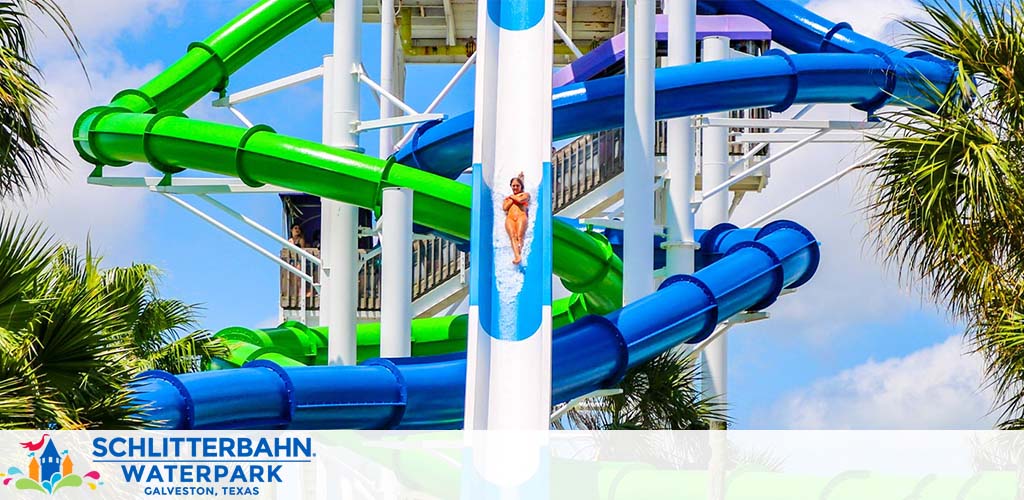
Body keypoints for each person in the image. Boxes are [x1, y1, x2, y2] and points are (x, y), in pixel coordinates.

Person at [503, 173, 530, 265]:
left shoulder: (525, 195)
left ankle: (521, 253)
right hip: (510, 218)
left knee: (519, 236)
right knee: (513, 237)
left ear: (521, 186)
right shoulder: (508, 198)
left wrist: (512, 197)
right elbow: (505, 208)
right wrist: (512, 198)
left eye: (517, 185)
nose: (515, 187)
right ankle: (517, 256)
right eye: (513, 186)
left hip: (521, 217)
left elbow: (520, 200)